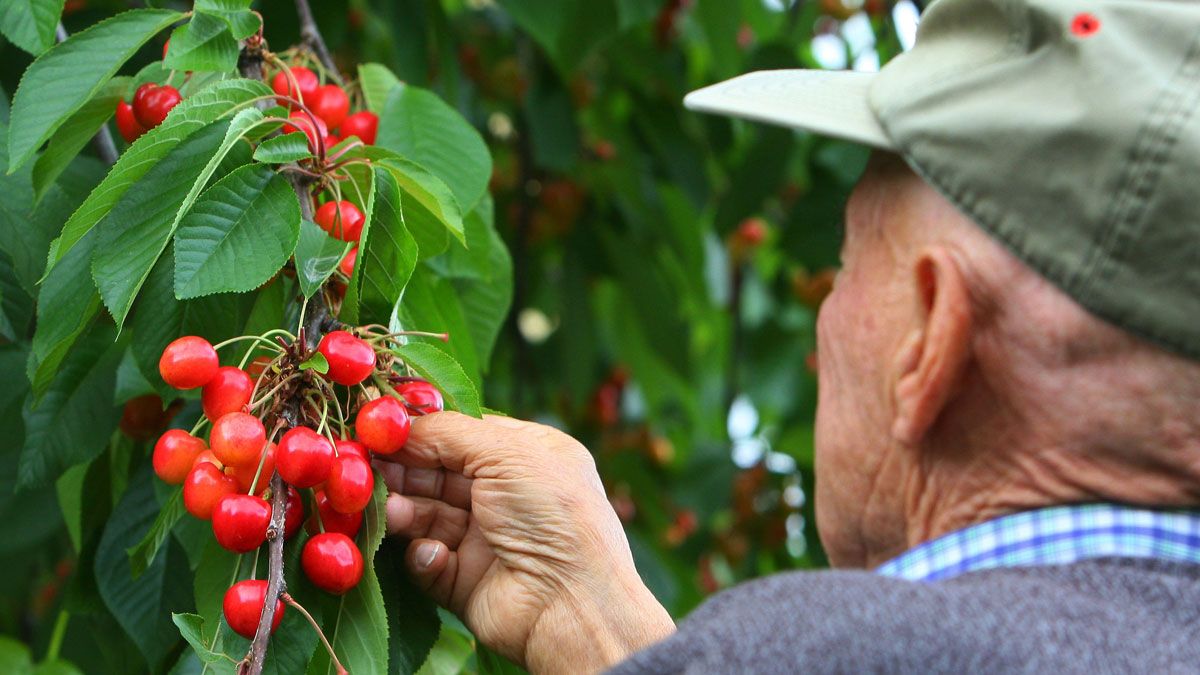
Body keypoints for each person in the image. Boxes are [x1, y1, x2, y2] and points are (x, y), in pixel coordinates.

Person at [373, 0, 1200, 671]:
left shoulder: (827, 649)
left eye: (845, 262)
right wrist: (597, 626)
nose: (824, 318)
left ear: (933, 338)